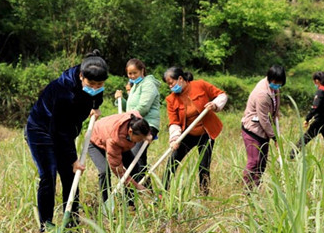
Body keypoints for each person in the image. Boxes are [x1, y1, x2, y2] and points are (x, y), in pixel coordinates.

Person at [25, 50, 108, 232]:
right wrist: (72, 159)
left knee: (70, 176)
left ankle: (71, 222)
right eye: (91, 84)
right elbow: (59, 132)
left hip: (64, 131)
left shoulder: (92, 79)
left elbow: (96, 96)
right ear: (81, 76)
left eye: (99, 84)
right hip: (41, 131)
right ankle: (46, 225)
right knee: (49, 175)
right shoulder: (63, 92)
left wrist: (95, 107)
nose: (95, 88)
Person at [163, 67, 228, 195]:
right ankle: (163, 192)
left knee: (204, 165)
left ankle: (204, 194)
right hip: (187, 134)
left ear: (180, 79)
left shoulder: (200, 85)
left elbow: (222, 95)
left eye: (172, 83)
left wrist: (214, 104)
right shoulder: (171, 99)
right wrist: (174, 139)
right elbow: (174, 122)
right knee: (172, 162)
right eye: (168, 84)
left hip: (206, 133)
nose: (170, 87)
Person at [88, 112, 152, 205]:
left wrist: (148, 134)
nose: (141, 141)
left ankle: (129, 203)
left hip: (116, 139)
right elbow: (119, 170)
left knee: (134, 168)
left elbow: (140, 118)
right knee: (104, 172)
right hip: (94, 140)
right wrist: (136, 185)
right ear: (130, 132)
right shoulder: (114, 139)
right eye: (140, 139)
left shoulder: (136, 119)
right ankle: (106, 204)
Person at [114, 58, 161, 178]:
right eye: (130, 73)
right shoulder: (135, 86)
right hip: (135, 124)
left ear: (142, 70)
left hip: (147, 125)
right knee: (138, 158)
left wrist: (125, 118)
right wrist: (120, 100)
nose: (132, 76)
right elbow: (130, 108)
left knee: (135, 157)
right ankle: (145, 187)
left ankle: (136, 185)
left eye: (135, 73)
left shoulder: (148, 84)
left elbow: (143, 108)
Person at [241, 65, 285, 189]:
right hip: (253, 130)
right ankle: (246, 191)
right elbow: (264, 119)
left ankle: (255, 188)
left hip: (264, 131)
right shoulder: (262, 94)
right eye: (275, 83)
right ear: (269, 78)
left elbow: (274, 110)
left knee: (262, 163)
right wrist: (275, 137)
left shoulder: (274, 89)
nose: (277, 86)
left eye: (279, 83)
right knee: (254, 162)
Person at [290, 72, 324, 166]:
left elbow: (315, 107)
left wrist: (307, 119)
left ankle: (290, 156)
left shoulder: (320, 91)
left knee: (305, 139)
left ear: (317, 81)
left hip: (320, 121)